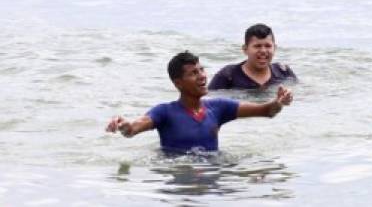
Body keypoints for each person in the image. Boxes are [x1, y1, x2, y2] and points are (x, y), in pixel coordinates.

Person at [106, 51, 292, 153]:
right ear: (177, 83)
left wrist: (279, 102)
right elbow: (133, 129)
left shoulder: (218, 107)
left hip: (214, 171)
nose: (202, 76)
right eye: (194, 73)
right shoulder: (165, 112)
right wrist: (125, 125)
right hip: (179, 175)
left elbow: (266, 111)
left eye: (202, 70)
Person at [209, 23, 297, 90]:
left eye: (268, 46)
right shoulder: (228, 75)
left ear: (275, 48)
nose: (263, 51)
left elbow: (300, 95)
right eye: (257, 46)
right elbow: (208, 101)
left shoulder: (284, 73)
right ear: (245, 49)